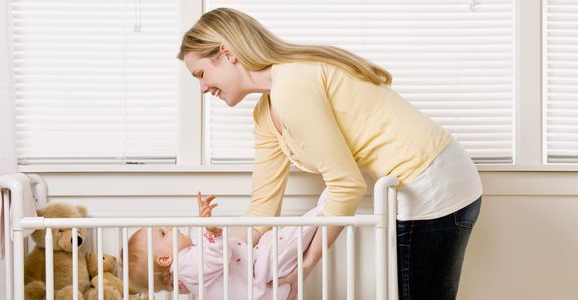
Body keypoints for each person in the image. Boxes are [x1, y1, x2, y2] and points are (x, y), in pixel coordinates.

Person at [178, 7, 483, 300]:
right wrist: (216, 250)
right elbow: (262, 210)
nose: (203, 88)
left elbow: (346, 185)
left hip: (435, 180)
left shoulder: (292, 86)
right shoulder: (264, 116)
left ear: (227, 53)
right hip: (414, 187)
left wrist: (305, 266)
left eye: (201, 74)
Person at [126, 191, 326, 299]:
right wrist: (210, 230)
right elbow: (215, 256)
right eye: (164, 233)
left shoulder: (188, 265)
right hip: (264, 276)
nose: (172, 229)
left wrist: (202, 222)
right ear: (164, 259)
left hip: (261, 279)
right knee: (294, 234)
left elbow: (199, 244)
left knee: (291, 238)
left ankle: (322, 210)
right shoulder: (185, 266)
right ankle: (327, 205)